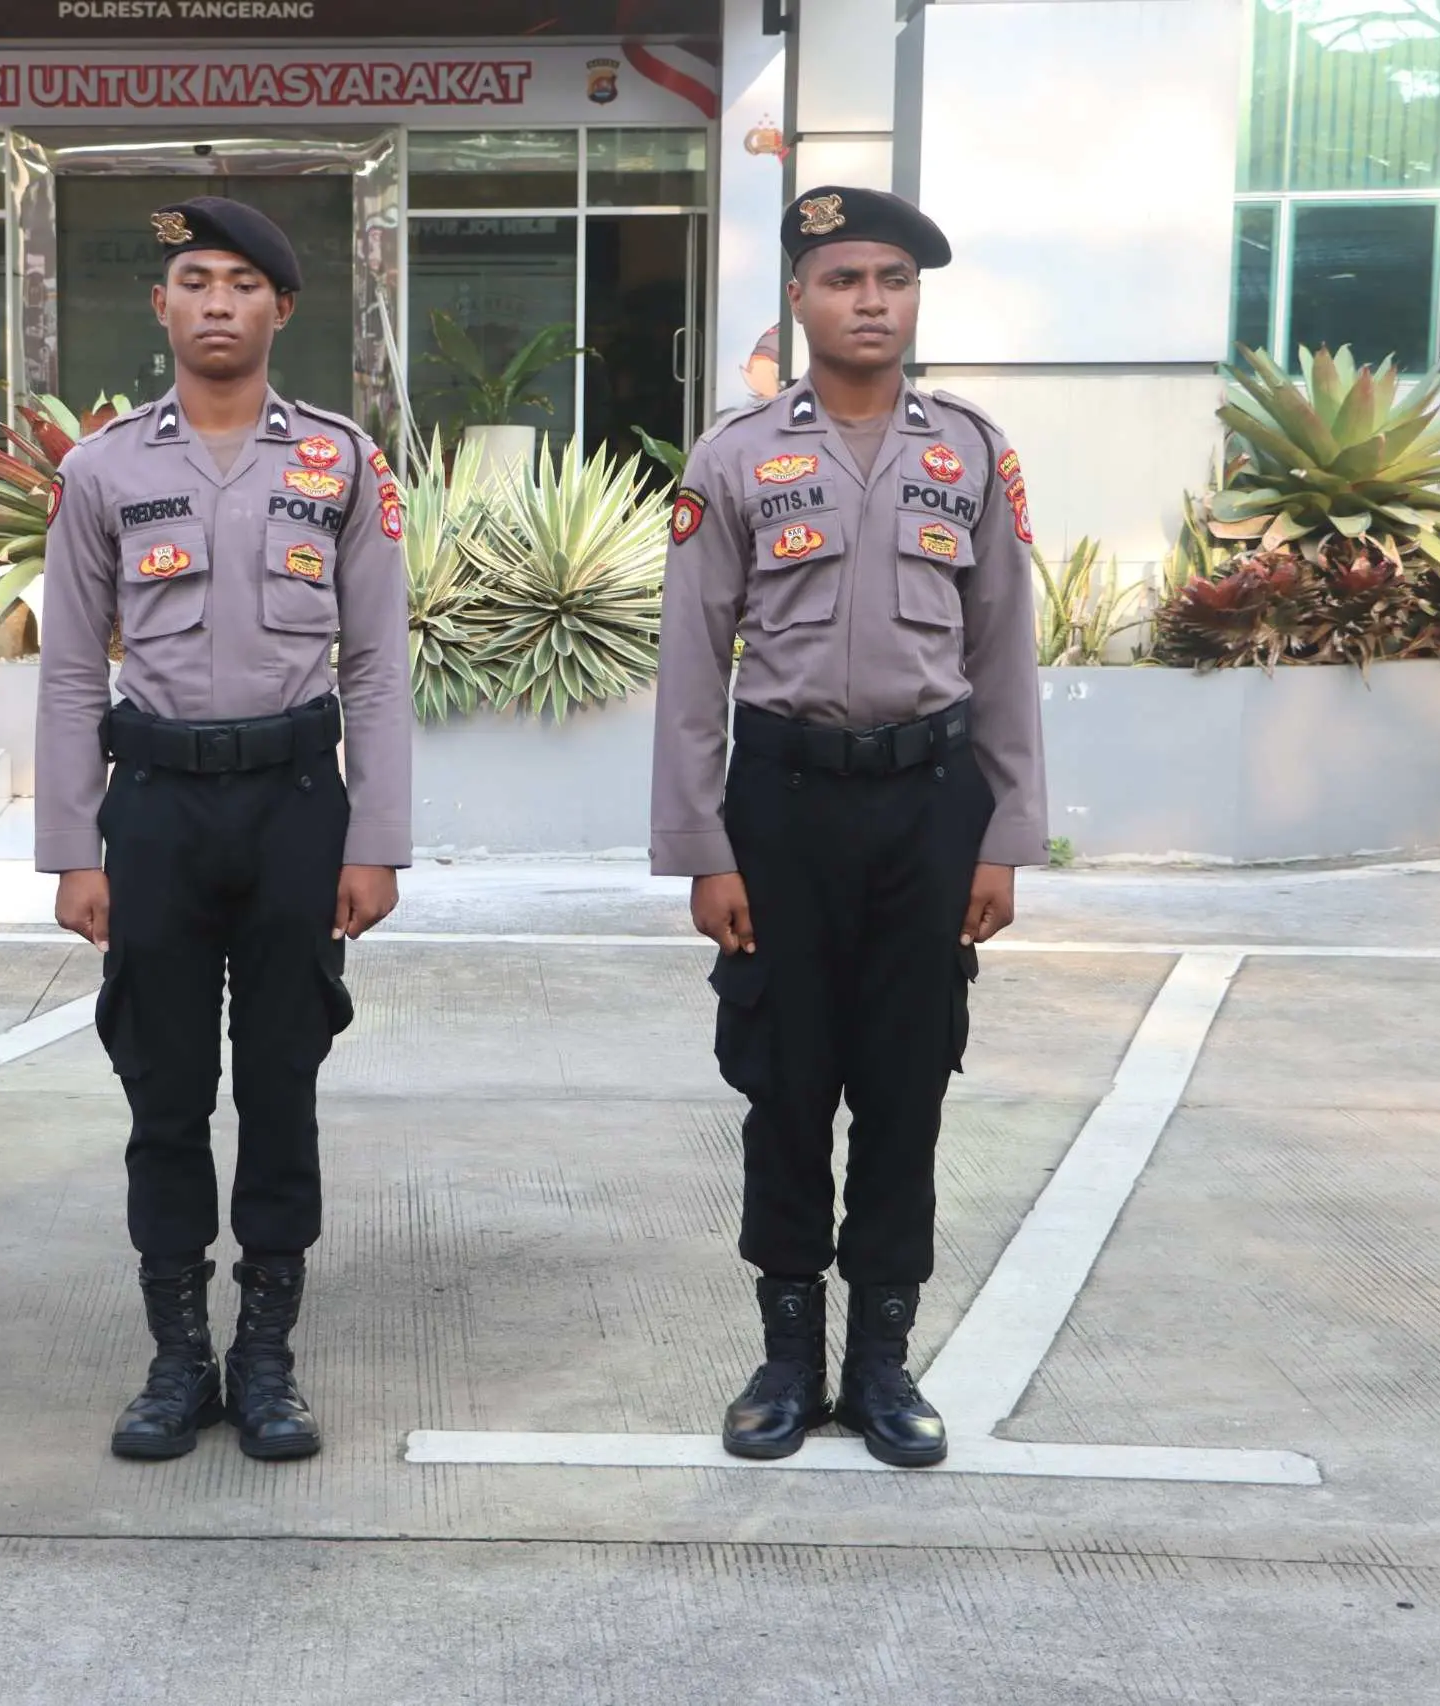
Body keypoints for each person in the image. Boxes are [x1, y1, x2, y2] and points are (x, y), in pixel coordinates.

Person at [650, 186, 1047, 1469]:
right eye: (843, 279)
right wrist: (704, 848)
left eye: (892, 278)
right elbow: (690, 666)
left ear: (913, 296)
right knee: (782, 1085)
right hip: (783, 809)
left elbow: (1003, 657)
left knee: (904, 1086)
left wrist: (1005, 835)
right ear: (800, 299)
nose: (870, 299)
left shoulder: (972, 451)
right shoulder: (735, 456)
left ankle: (880, 1361)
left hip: (929, 808)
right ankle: (784, 1358)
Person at [38, 196, 413, 1464]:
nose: (214, 302)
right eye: (191, 279)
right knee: (162, 1089)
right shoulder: (102, 469)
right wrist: (71, 849)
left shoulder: (341, 461)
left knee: (282, 1084)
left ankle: (264, 1355)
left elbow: (375, 664)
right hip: (152, 808)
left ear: (281, 310)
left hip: (297, 806)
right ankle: (174, 1354)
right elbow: (70, 676)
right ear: (161, 306)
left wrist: (379, 837)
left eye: (241, 283)